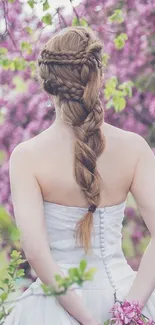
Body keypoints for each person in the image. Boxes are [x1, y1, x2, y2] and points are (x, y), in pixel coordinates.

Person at [4, 26, 155, 325]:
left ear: (47, 86)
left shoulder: (26, 156)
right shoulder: (134, 147)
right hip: (124, 293)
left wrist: (86, 320)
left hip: (54, 311)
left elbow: (36, 252)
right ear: (97, 78)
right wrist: (130, 312)